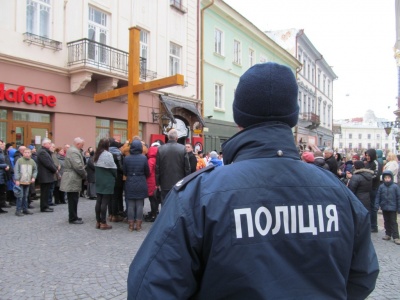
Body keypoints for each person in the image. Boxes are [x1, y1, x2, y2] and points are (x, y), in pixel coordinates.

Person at [127, 62, 379, 299]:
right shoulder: (339, 193)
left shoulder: (198, 196)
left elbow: (150, 287)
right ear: (293, 118)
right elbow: (362, 276)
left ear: (239, 119)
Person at [155, 129, 189, 204]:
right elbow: (187, 167)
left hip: (164, 182)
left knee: (165, 203)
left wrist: (157, 183)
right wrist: (187, 181)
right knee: (177, 203)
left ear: (168, 137)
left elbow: (157, 167)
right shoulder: (183, 148)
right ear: (177, 138)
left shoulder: (160, 149)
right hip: (179, 182)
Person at [123, 140, 150, 232]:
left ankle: (131, 225)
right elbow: (147, 171)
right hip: (141, 181)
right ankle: (138, 225)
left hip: (130, 181)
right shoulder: (143, 158)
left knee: (130, 204)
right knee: (139, 204)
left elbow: (125, 172)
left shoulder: (127, 158)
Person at [60, 137, 87, 224]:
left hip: (72, 176)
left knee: (74, 198)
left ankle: (74, 216)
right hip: (72, 177)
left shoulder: (72, 150)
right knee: (73, 199)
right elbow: (78, 166)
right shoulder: (73, 151)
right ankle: (72, 218)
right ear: (78, 144)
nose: (82, 147)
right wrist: (84, 174)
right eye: (82, 145)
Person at [94, 138, 117, 230]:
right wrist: (115, 176)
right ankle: (103, 222)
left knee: (99, 201)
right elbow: (113, 168)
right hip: (107, 180)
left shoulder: (97, 154)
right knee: (105, 202)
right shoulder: (107, 154)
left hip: (99, 179)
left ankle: (98, 221)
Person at [375, 170, 400, 245]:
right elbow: (378, 197)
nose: (387, 179)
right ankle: (388, 234)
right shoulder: (381, 186)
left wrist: (399, 208)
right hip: (384, 207)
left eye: (388, 178)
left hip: (393, 207)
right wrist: (377, 205)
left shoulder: (395, 187)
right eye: (385, 178)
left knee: (393, 222)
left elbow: (398, 198)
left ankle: (396, 237)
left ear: (391, 178)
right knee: (386, 221)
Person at [13, 148, 37, 216]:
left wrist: (33, 177)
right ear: (23, 153)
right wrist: (17, 179)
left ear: (30, 154)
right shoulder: (19, 160)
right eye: (25, 152)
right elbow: (16, 170)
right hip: (20, 181)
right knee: (20, 196)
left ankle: (25, 209)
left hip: (28, 182)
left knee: (25, 196)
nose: (27, 154)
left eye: (28, 152)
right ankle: (18, 210)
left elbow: (35, 170)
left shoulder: (32, 161)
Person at [37, 138, 58, 213]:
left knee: (47, 192)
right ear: (44, 144)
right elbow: (48, 163)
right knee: (44, 192)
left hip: (47, 175)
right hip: (44, 175)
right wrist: (55, 170)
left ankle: (46, 205)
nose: (50, 144)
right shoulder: (42, 152)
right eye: (49, 143)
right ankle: (44, 207)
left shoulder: (45, 151)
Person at [365, 148, 382, 233]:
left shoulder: (376, 163)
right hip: (369, 187)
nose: (367, 157)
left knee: (373, 208)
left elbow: (376, 175)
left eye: (368, 155)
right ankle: (370, 224)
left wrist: (366, 178)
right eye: (366, 155)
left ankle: (374, 226)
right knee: (369, 207)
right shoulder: (368, 163)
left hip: (374, 187)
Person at [144, 142, 159, 222]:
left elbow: (148, 171)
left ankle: (153, 215)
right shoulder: (158, 159)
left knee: (152, 199)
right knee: (155, 198)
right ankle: (155, 213)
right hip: (155, 181)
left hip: (150, 181)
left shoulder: (151, 160)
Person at [0, 140, 11, 213]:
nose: (2, 145)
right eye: (0, 144)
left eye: (2, 144)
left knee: (1, 192)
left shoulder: (2, 152)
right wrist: (5, 166)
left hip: (2, 175)